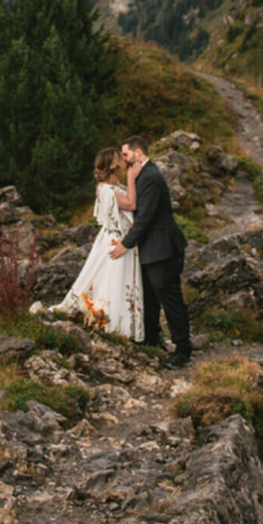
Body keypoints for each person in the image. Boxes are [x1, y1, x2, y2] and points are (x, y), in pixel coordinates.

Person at [109, 135, 191, 369]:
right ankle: (152, 338)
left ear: (138, 153)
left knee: (170, 299)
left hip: (163, 248)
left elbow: (145, 217)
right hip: (152, 249)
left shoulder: (151, 177)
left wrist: (125, 244)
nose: (123, 159)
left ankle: (183, 350)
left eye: (125, 154)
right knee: (149, 297)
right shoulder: (143, 175)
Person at [54, 148, 144, 340]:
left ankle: (118, 323)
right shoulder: (106, 189)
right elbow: (130, 204)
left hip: (121, 239)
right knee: (112, 278)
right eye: (120, 158)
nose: (123, 160)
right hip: (115, 240)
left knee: (118, 280)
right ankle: (113, 325)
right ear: (113, 165)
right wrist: (131, 177)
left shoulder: (114, 185)